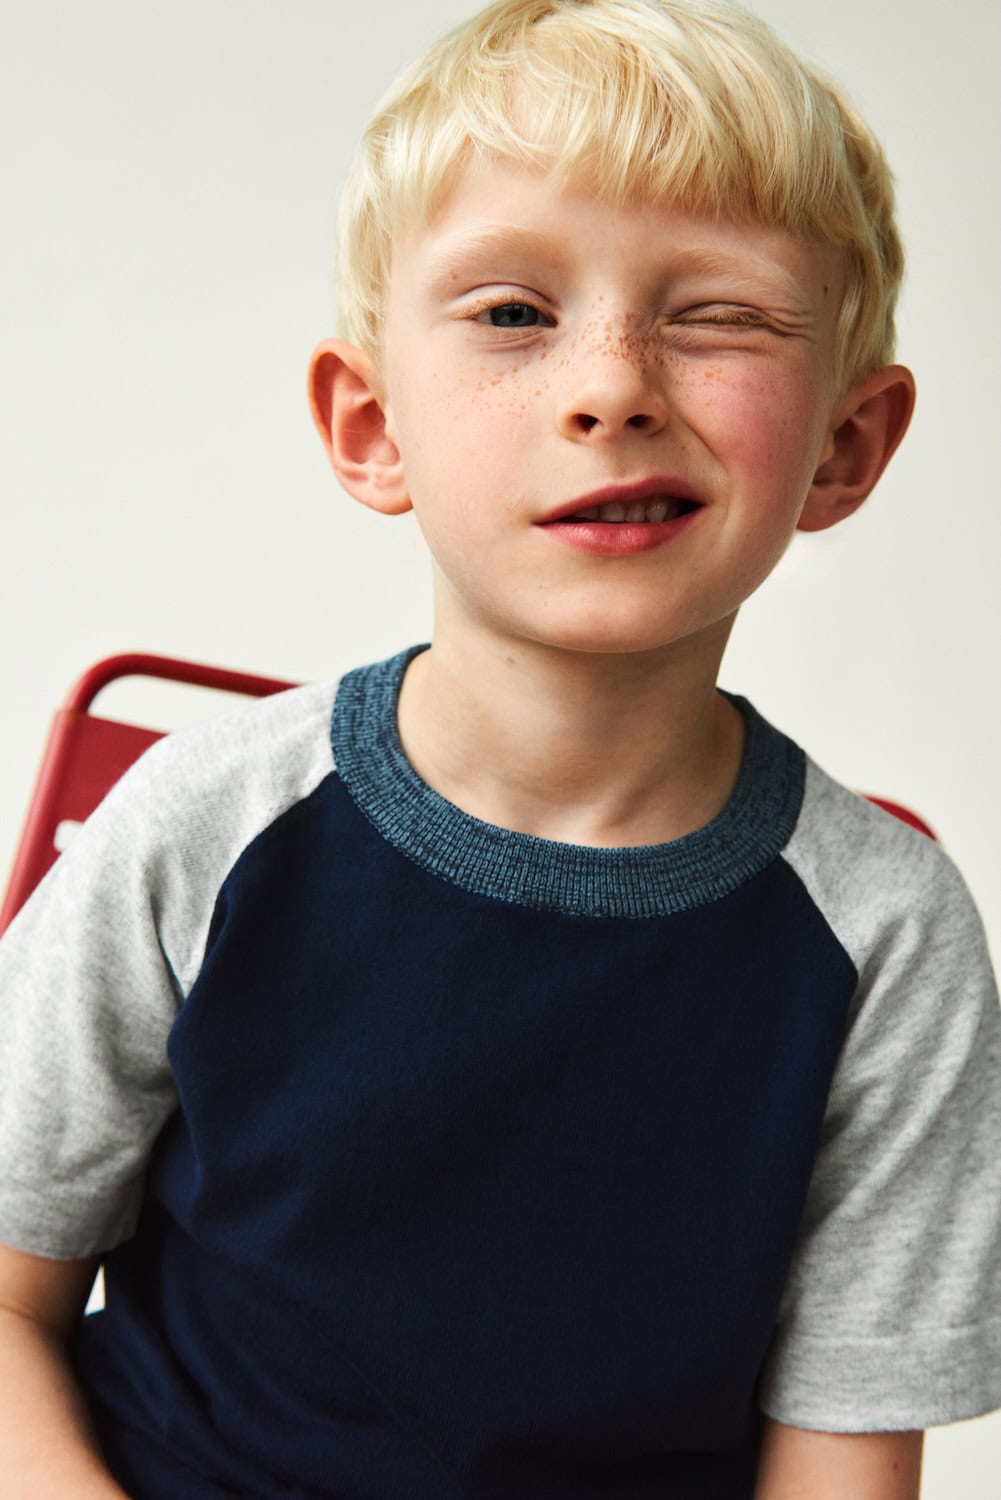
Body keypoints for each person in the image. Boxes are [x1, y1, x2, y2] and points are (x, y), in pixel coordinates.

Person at [1, 0, 998, 1495]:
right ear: (368, 425)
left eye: (715, 310)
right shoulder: (203, 820)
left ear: (844, 448)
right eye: (513, 314)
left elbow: (842, 1465)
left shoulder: (887, 940)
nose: (609, 386)